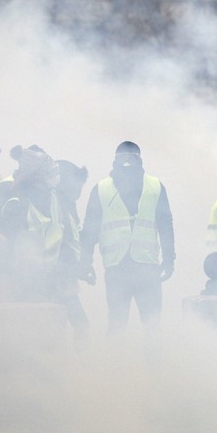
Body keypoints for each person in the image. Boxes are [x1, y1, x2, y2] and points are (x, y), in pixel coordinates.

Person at [80, 140, 175, 335]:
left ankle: (148, 365)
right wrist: (85, 261)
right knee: (120, 323)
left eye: (130, 158)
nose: (127, 163)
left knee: (149, 325)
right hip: (121, 268)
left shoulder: (155, 187)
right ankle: (117, 364)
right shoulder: (102, 189)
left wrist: (169, 259)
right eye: (124, 158)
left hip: (144, 267)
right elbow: (90, 230)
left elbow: (165, 225)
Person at [0, 146, 68, 303]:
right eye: (48, 174)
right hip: (17, 275)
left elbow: (60, 231)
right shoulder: (9, 189)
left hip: (48, 272)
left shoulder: (52, 194)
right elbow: (2, 231)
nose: (53, 179)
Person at [53, 159, 90, 334]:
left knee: (74, 322)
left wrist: (82, 266)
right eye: (77, 187)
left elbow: (73, 239)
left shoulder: (68, 204)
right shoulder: (54, 203)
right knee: (78, 323)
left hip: (66, 271)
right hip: (57, 272)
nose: (79, 192)